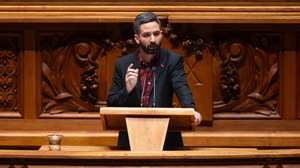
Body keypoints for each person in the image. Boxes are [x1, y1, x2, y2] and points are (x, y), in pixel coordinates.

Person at [107, 12, 201, 149]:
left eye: (156, 34)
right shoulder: (122, 64)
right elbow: (111, 104)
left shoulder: (172, 61)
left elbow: (182, 88)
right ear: (137, 38)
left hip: (167, 139)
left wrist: (191, 111)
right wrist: (126, 90)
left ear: (161, 34)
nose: (153, 39)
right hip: (131, 139)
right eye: (146, 35)